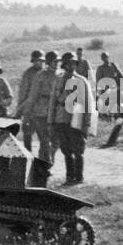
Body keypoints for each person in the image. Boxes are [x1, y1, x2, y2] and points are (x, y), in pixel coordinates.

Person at [49, 52, 96, 184]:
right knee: (66, 149)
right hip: (61, 118)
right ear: (64, 65)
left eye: (73, 63)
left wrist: (86, 123)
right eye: (68, 63)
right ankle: (69, 177)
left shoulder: (81, 81)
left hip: (77, 118)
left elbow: (88, 103)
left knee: (78, 150)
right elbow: (53, 101)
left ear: (76, 64)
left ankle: (79, 177)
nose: (70, 66)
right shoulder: (58, 80)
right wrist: (51, 120)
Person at [25, 50, 61, 163]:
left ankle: (47, 162)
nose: (57, 63)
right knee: (45, 142)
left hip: (56, 113)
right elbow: (32, 96)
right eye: (55, 61)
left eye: (59, 61)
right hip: (41, 112)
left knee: (56, 142)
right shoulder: (40, 75)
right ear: (49, 62)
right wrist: (27, 114)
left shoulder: (61, 75)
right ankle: (43, 167)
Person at [13, 50, 45, 149]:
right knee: (27, 134)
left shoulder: (48, 73)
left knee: (44, 137)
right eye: (36, 60)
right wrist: (20, 110)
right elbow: (23, 93)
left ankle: (42, 160)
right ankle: (28, 156)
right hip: (30, 110)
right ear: (33, 61)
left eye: (41, 60)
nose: (39, 63)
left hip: (44, 110)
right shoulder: (28, 74)